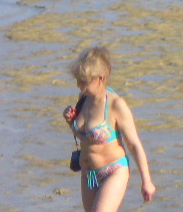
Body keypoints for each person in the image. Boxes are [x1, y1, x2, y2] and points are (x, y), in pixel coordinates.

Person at [63, 47, 156, 211]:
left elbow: (134, 144)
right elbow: (85, 139)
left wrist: (146, 181)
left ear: (100, 78)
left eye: (84, 81)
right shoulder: (83, 99)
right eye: (78, 79)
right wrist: (71, 122)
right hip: (90, 175)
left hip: (113, 172)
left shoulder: (115, 104)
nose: (79, 84)